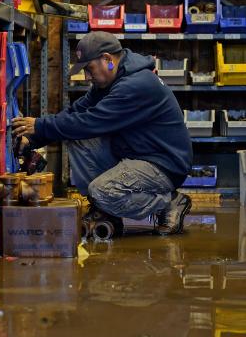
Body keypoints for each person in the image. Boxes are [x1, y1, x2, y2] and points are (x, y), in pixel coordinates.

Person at [12, 31, 193, 235]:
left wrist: (39, 125)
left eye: (89, 69)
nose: (87, 77)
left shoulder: (136, 85)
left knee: (101, 191)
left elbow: (91, 121)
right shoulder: (110, 81)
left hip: (162, 164)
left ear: (107, 59)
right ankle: (107, 211)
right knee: (78, 140)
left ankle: (169, 202)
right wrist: (33, 137)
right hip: (135, 153)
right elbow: (77, 112)